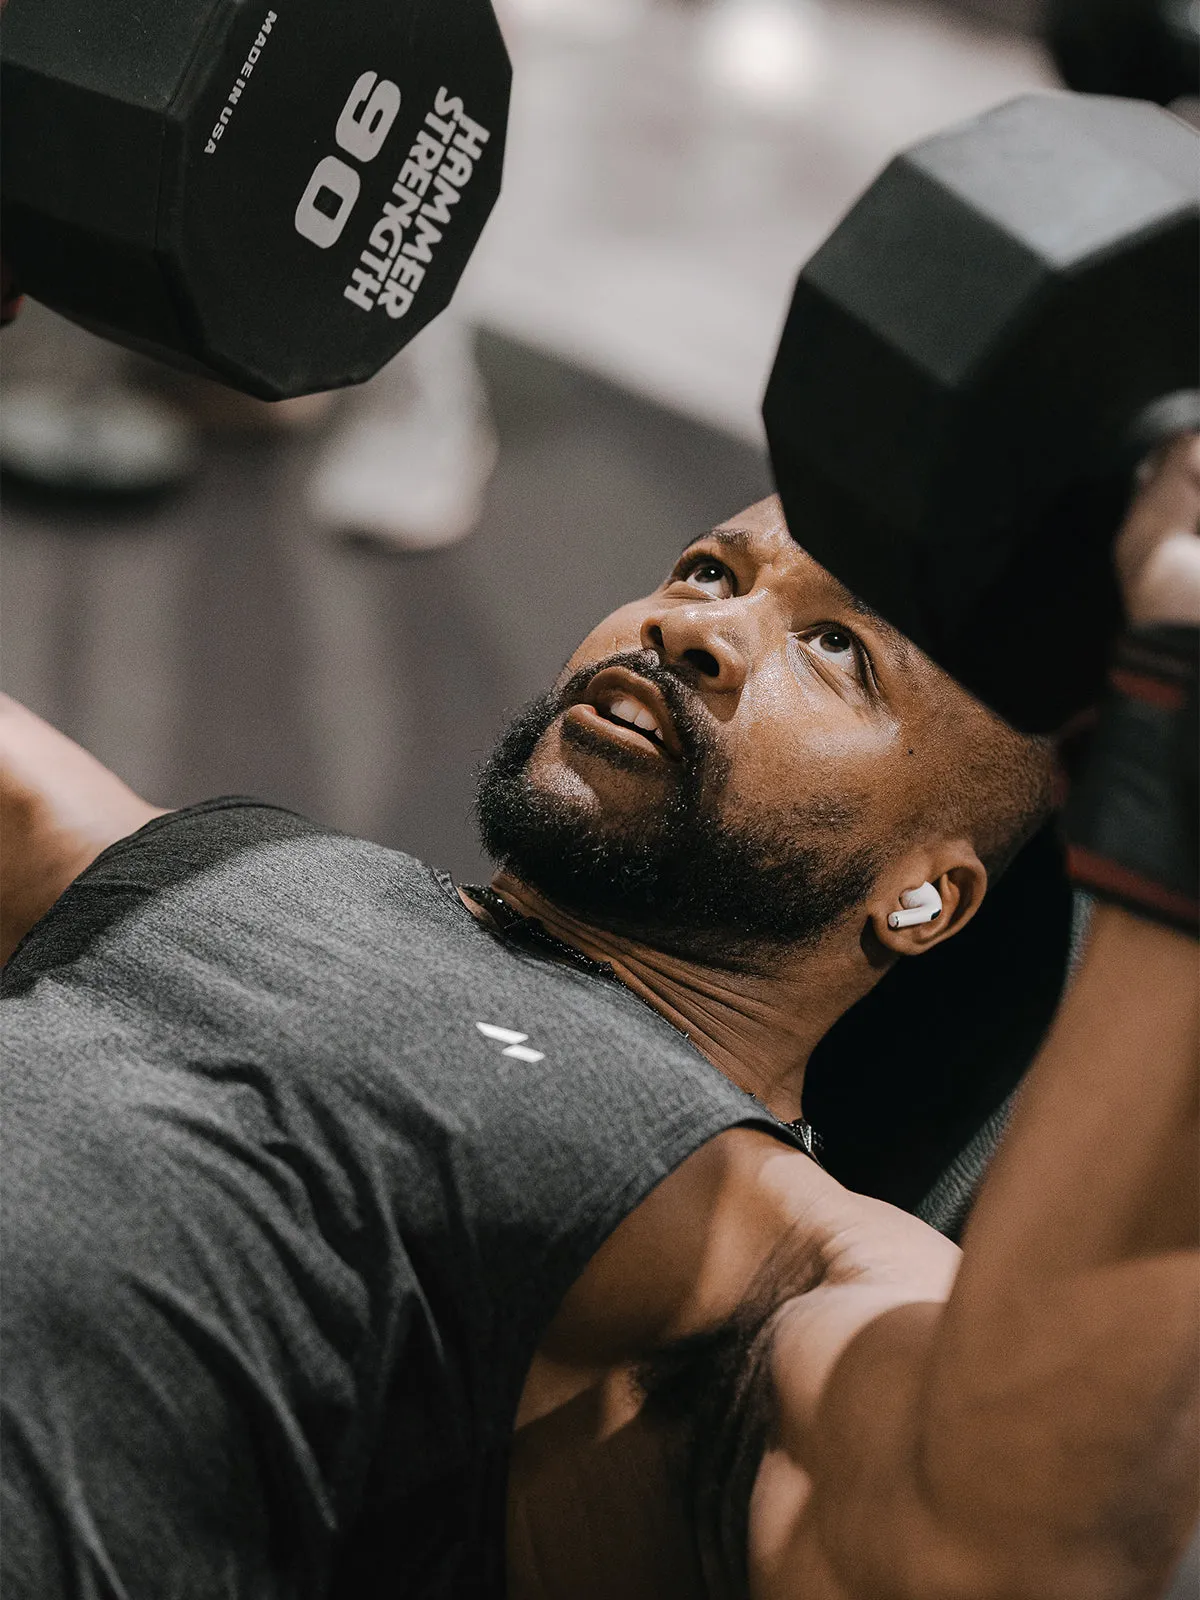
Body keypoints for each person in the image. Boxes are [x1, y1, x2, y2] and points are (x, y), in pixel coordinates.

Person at [2, 441, 1197, 1598]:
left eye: (836, 649)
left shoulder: (762, 1247)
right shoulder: (227, 858)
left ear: (926, 895)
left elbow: (998, 1539)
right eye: (712, 571)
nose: (698, 628)